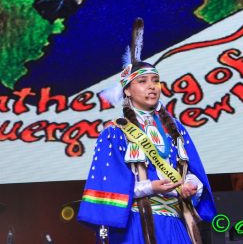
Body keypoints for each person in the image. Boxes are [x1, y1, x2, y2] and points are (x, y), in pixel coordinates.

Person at [78, 18, 216, 243]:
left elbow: (193, 170)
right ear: (128, 91)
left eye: (155, 81)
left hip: (177, 223)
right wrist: (150, 187)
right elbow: (107, 184)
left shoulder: (176, 129)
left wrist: (191, 185)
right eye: (142, 81)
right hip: (137, 224)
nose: (152, 86)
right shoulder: (114, 133)